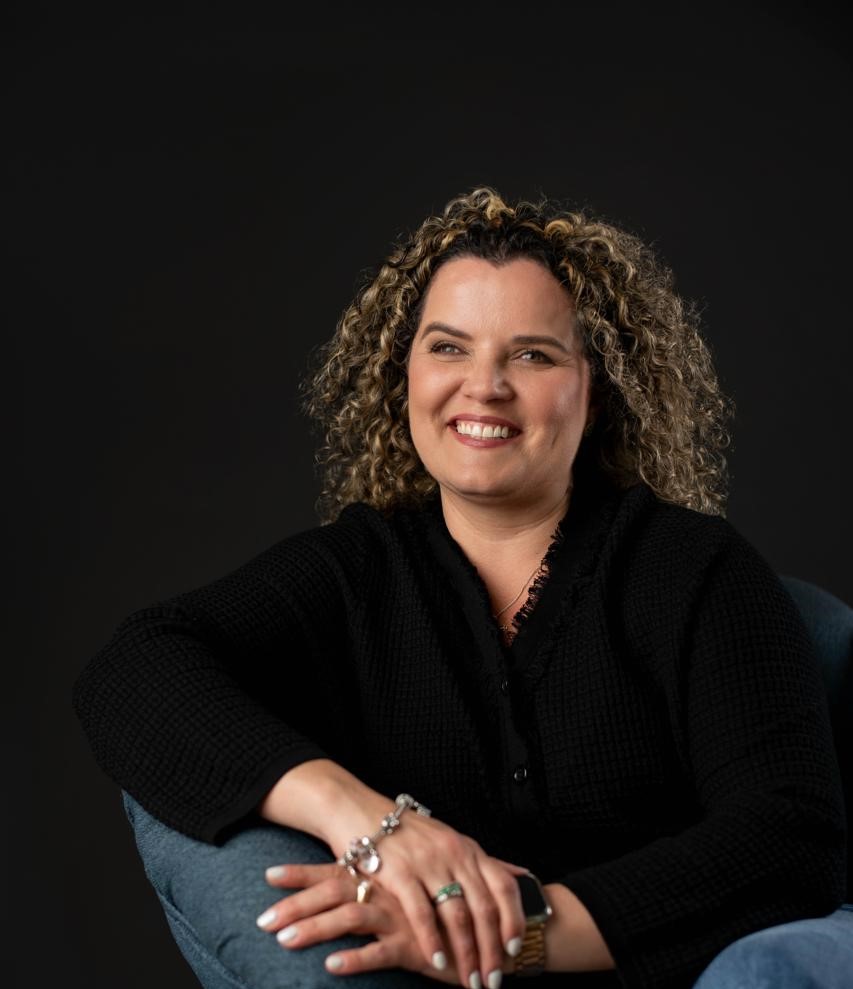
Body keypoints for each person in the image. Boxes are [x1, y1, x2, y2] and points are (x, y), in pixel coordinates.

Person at [72, 187, 852, 989]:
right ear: (401, 370)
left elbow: (786, 839)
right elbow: (133, 670)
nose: (483, 386)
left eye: (532, 354)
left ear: (599, 387)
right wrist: (373, 822)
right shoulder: (357, 570)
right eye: (447, 347)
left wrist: (517, 932)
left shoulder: (693, 571)